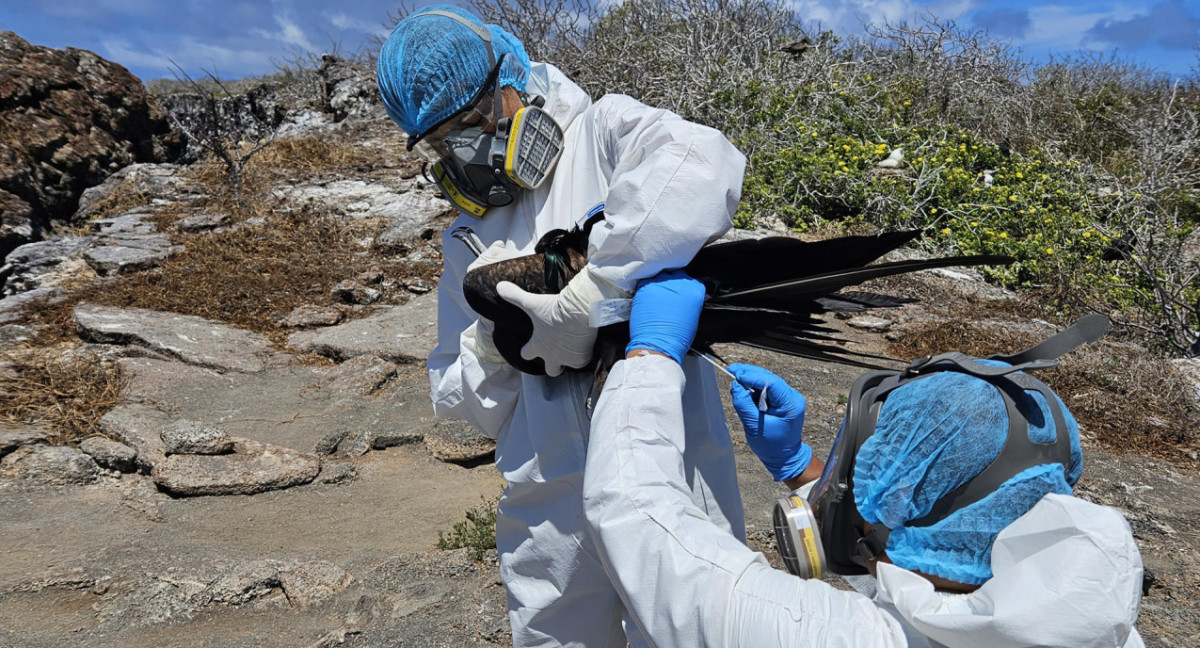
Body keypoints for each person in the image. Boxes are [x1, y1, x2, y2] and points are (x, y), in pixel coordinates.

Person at [375, 8, 747, 647]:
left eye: (473, 122)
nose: (469, 148)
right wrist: (498, 345)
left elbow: (704, 165)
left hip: (669, 463)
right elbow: (449, 389)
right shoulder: (466, 237)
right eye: (444, 142)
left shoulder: (604, 133)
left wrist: (599, 289)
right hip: (550, 495)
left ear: (511, 75)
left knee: (692, 627)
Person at [583, 270, 1145, 648]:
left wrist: (650, 357)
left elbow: (638, 518)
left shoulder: (815, 634)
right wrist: (799, 469)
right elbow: (926, 587)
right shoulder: (1097, 618)